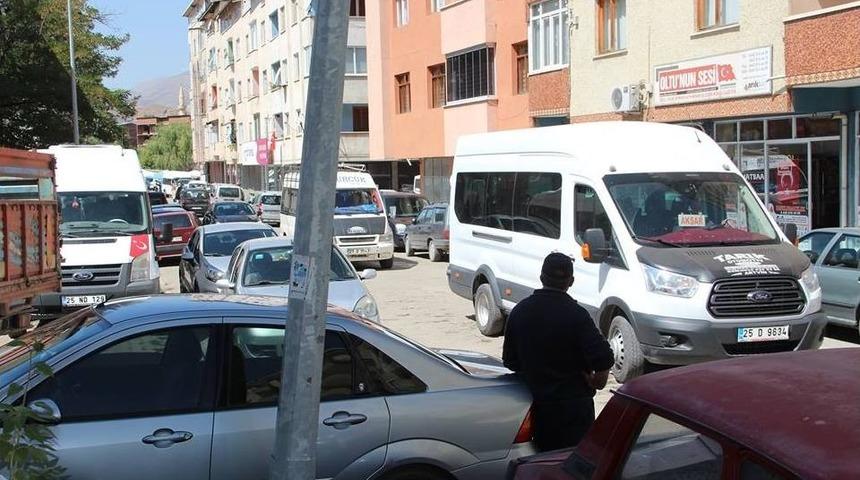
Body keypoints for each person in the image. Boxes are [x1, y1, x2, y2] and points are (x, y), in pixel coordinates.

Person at [502, 252, 614, 452]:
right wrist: (597, 381)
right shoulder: (577, 315)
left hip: (536, 406)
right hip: (574, 411)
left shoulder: (520, 312)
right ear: (571, 282)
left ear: (541, 277)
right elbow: (604, 358)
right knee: (573, 461)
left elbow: (510, 361)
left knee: (542, 460)